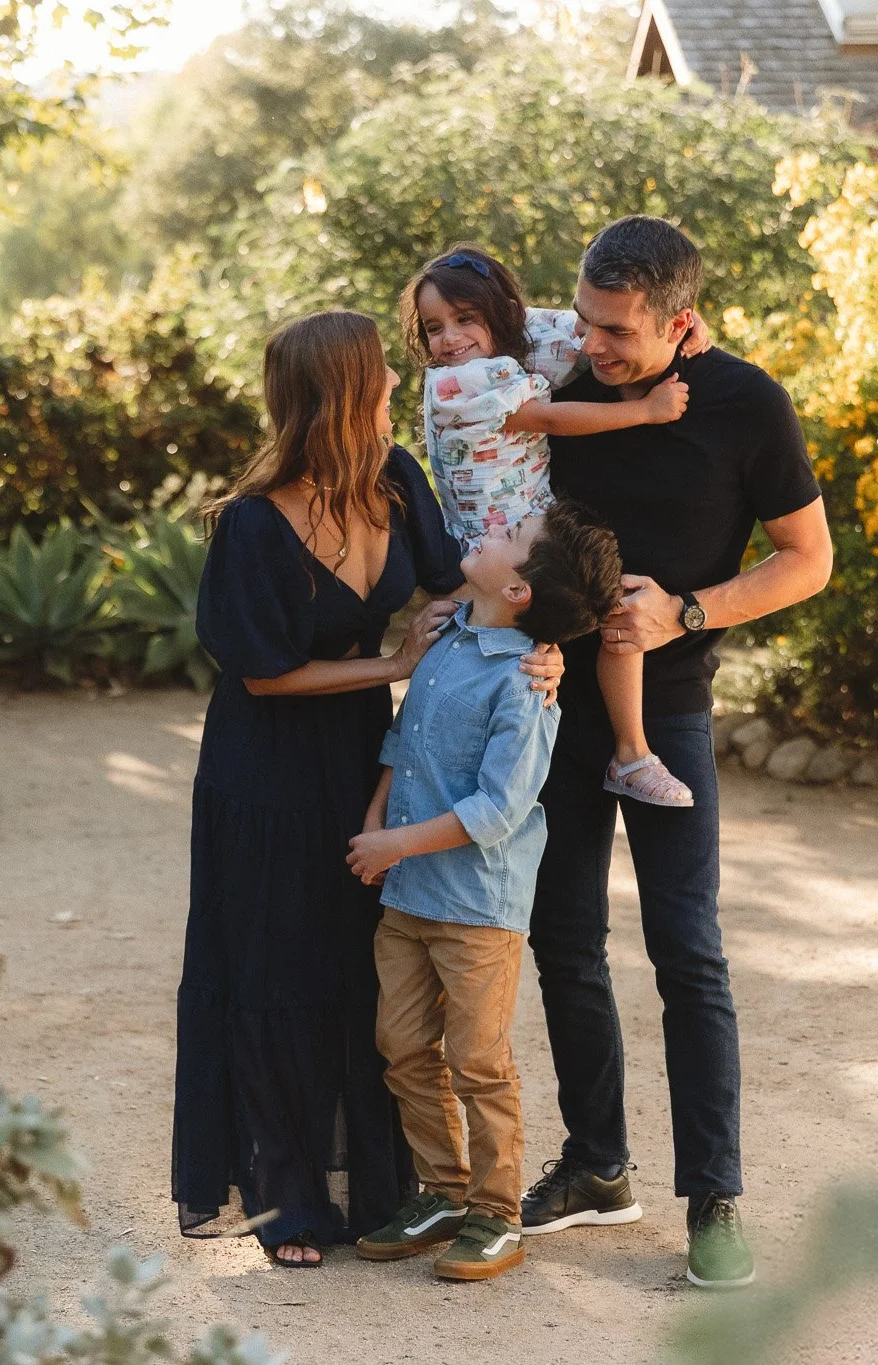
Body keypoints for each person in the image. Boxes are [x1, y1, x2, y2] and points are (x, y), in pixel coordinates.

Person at [172, 310, 564, 1269]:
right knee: (275, 970)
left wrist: (539, 648)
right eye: (380, 376)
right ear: (342, 395)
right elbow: (263, 674)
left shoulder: (399, 483)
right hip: (263, 766)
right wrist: (389, 663)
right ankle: (289, 1204)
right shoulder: (252, 525)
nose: (398, 383)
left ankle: (392, 1191)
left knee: (364, 969)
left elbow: (456, 586)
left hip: (360, 755)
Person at [517, 217, 834, 1290]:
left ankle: (715, 1200)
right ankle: (597, 1164)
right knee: (561, 939)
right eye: (584, 322)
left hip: (674, 716)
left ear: (678, 320)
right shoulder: (561, 380)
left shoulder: (748, 406)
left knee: (685, 952)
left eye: (613, 333)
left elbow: (806, 559)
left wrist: (687, 612)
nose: (590, 348)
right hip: (553, 707)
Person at [344, 502, 626, 1283]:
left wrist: (393, 842)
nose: (493, 526)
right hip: (406, 895)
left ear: (521, 587)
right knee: (402, 1047)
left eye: (511, 536)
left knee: (477, 1060)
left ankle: (497, 1213)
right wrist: (376, 833)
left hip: (475, 910)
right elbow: (401, 745)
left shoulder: (526, 683)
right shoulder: (444, 639)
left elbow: (498, 810)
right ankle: (440, 1190)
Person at [402, 245, 705, 808]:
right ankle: (466, 798)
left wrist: (675, 326)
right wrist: (645, 411)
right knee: (512, 661)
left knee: (614, 600)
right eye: (433, 327)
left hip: (535, 529)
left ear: (500, 312)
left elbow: (606, 326)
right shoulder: (453, 385)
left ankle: (631, 753)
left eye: (465, 319)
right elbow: (542, 417)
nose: (449, 338)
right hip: (497, 545)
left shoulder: (528, 334)